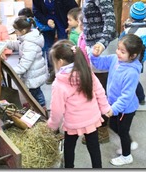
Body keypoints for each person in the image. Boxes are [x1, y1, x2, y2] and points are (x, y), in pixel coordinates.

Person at [47, 39, 111, 168]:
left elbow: (57, 110)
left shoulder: (59, 83)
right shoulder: (87, 71)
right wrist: (105, 108)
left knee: (69, 148)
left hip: (73, 122)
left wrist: (51, 126)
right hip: (92, 118)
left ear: (59, 62)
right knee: (94, 146)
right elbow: (99, 91)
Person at [75, 0, 117, 143]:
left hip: (102, 47)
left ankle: (102, 130)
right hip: (95, 44)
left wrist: (100, 42)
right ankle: (99, 125)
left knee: (100, 89)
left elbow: (110, 20)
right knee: (97, 86)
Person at [90, 34, 145, 166]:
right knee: (114, 126)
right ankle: (130, 143)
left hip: (126, 109)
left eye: (122, 51)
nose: (118, 52)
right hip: (114, 105)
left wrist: (114, 109)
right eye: (118, 48)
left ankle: (126, 156)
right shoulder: (116, 59)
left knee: (123, 131)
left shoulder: (131, 72)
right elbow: (99, 63)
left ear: (132, 56)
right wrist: (95, 55)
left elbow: (126, 96)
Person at [32, 0, 78, 84]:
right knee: (48, 46)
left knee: (64, 45)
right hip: (47, 22)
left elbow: (74, 8)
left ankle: (66, 71)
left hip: (62, 19)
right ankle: (52, 70)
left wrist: (71, 23)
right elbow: (35, 11)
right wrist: (46, 20)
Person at [6, 16, 47, 110]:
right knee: (33, 92)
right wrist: (5, 43)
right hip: (34, 72)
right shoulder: (28, 38)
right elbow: (18, 45)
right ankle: (35, 105)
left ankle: (42, 108)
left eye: (16, 30)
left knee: (36, 92)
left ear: (23, 31)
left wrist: (12, 71)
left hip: (34, 74)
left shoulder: (29, 44)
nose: (15, 32)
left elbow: (24, 65)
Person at [119, 1, 146, 105]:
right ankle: (139, 97)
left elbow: (121, 40)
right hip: (142, 58)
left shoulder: (129, 30)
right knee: (135, 77)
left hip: (131, 58)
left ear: (131, 15)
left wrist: (124, 30)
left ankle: (141, 97)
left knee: (132, 79)